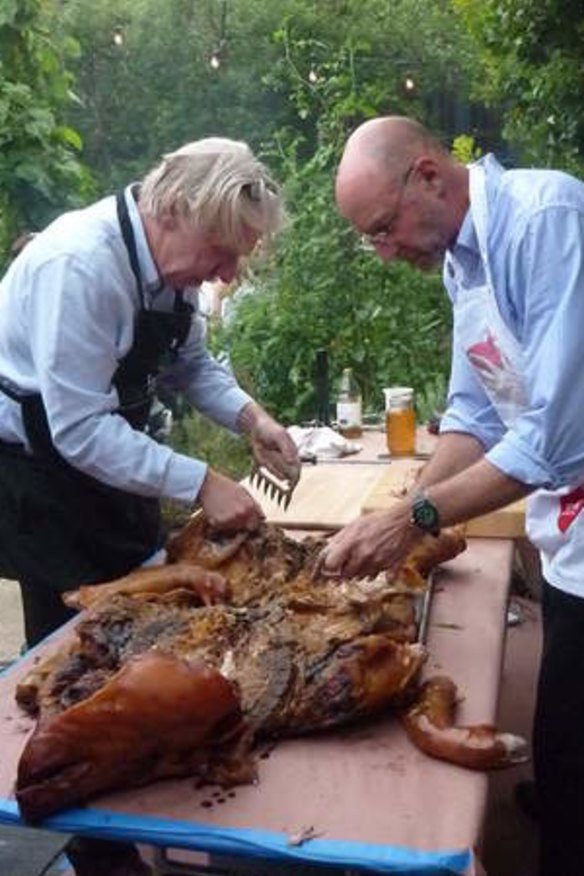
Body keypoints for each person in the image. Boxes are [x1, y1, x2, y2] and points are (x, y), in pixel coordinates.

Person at [0, 137, 299, 876]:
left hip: (110, 463)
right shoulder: (81, 265)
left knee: (154, 628)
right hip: (42, 484)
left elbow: (190, 363)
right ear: (172, 209)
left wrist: (251, 419)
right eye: (224, 251)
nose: (228, 273)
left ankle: (154, 808)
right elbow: (76, 430)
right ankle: (101, 852)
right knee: (78, 667)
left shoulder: (170, 268)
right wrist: (201, 481)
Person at [321, 115, 584, 876]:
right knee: (562, 719)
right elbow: (474, 412)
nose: (382, 250)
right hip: (565, 525)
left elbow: (554, 439)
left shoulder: (545, 224)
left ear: (429, 176)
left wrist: (414, 519)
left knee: (571, 725)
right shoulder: (461, 264)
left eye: (382, 227)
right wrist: (397, 513)